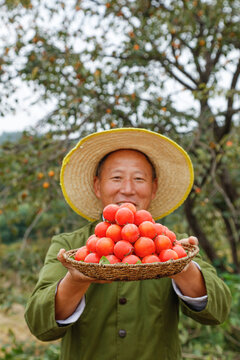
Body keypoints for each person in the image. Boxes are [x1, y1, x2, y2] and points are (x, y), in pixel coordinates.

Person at [25, 128, 231, 360]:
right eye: (116, 178)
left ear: (153, 188)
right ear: (97, 186)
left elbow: (219, 311)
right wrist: (74, 281)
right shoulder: (70, 247)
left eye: (139, 179)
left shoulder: (172, 246)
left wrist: (182, 268)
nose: (128, 189)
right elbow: (39, 325)